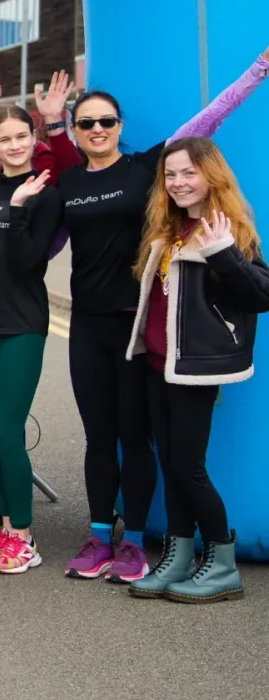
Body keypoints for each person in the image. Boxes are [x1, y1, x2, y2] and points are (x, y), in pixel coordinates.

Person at [39, 46, 268, 581]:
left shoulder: (149, 167)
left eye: (107, 121)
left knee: (136, 438)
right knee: (99, 436)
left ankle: (136, 542)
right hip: (88, 325)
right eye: (86, 122)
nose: (98, 129)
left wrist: (256, 73)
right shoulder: (70, 182)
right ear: (75, 130)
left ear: (120, 125)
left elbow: (207, 121)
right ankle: (99, 536)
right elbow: (46, 245)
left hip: (138, 327)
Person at [125, 140, 269, 603]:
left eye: (188, 173)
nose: (178, 183)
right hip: (157, 365)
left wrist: (224, 253)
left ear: (211, 175)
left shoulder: (228, 230)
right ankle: (179, 557)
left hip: (194, 370)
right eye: (170, 175)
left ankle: (222, 564)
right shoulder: (169, 227)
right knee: (171, 464)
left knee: (188, 469)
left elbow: (260, 297)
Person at [0, 106, 64, 575]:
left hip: (21, 325)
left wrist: (20, 207)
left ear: (33, 137)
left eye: (21, 136)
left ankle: (24, 536)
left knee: (5, 431)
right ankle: (5, 527)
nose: (15, 145)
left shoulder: (45, 194)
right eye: (5, 139)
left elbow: (28, 264)